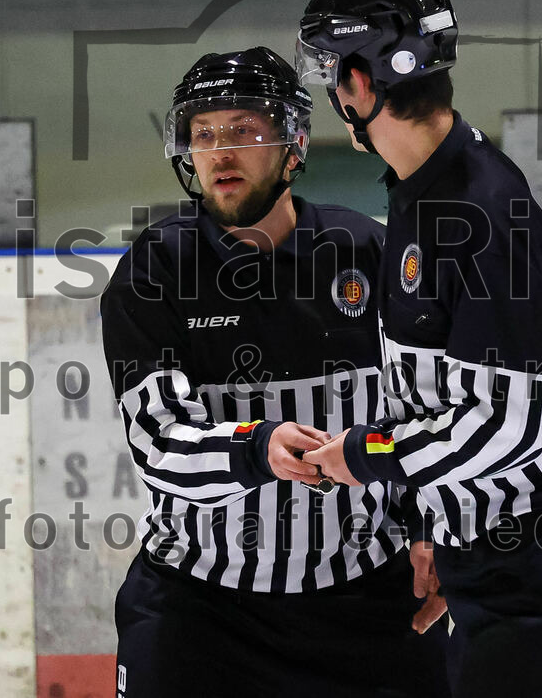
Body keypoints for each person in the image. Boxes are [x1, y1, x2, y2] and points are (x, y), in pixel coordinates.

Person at [296, 0, 542, 698]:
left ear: (358, 83)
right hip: (501, 533)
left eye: (330, 70)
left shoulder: (481, 210)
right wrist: (437, 523)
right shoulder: (424, 188)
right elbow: (440, 389)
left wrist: (360, 456)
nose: (331, 89)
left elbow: (510, 426)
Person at [99, 46, 449, 698]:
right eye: (203, 135)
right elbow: (158, 445)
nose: (220, 153)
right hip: (200, 614)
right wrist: (256, 447)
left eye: (244, 132)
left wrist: (433, 529)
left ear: (293, 143)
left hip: (366, 601)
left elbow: (423, 413)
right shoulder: (155, 272)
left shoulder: (367, 252)